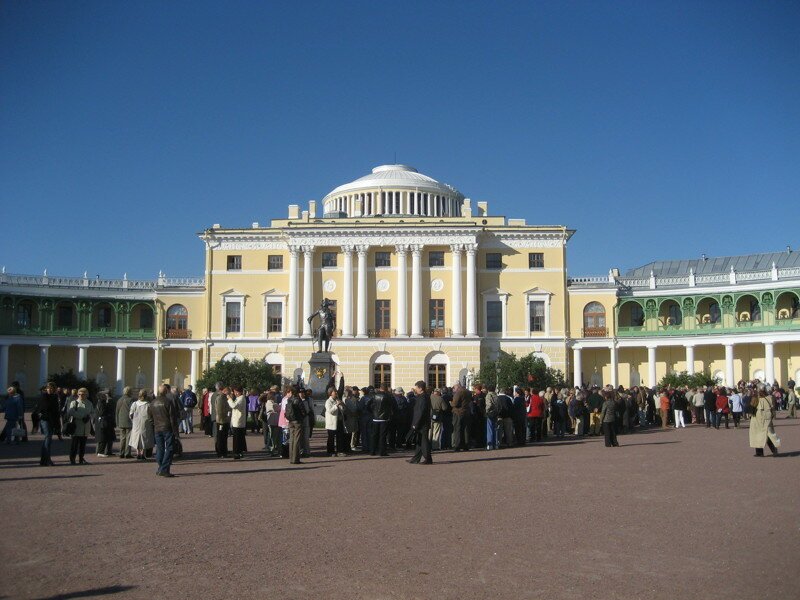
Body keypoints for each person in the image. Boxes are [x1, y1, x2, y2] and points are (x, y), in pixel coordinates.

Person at [149, 386, 176, 476]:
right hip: (167, 428)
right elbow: (172, 417)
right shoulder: (168, 402)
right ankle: (164, 469)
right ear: (166, 392)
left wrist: (155, 424)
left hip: (157, 428)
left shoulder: (152, 403)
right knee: (170, 448)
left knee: (160, 449)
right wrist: (175, 430)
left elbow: (150, 418)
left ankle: (161, 468)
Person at [66, 388, 94, 464]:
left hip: (86, 427)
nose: (81, 396)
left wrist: (89, 416)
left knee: (83, 445)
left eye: (83, 394)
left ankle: (81, 459)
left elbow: (92, 412)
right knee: (74, 445)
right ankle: (72, 459)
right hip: (76, 427)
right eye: (79, 394)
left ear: (86, 395)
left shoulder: (89, 403)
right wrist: (82, 416)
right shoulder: (74, 402)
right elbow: (71, 412)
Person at [34, 382, 60, 465]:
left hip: (52, 419)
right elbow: (44, 407)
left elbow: (56, 410)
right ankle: (47, 459)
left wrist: (57, 424)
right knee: (48, 437)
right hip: (45, 419)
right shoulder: (44, 396)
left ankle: (43, 460)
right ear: (46, 388)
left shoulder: (55, 397)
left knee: (47, 439)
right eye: (49, 388)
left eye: (52, 388)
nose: (50, 389)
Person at [749, 389, 780, 456]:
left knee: (757, 436)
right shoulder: (769, 398)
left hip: (757, 421)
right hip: (766, 420)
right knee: (768, 435)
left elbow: (751, 410)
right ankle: (774, 449)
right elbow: (772, 408)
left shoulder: (756, 399)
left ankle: (760, 452)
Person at [408, 380, 432, 464]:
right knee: (419, 441)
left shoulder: (423, 397)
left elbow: (420, 412)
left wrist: (415, 424)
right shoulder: (422, 396)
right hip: (421, 423)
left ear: (421, 388)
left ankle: (428, 459)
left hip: (422, 423)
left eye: (416, 388)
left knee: (424, 442)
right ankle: (416, 458)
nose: (415, 389)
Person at [129, 389, 155, 460]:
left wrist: (133, 420)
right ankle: (143, 453)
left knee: (137, 438)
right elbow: (151, 415)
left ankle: (138, 453)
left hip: (136, 423)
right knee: (144, 438)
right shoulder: (148, 405)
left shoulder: (134, 404)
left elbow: (130, 414)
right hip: (145, 423)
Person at [370, 384, 394, 456]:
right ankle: (382, 451)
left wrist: (373, 412)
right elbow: (391, 406)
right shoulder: (388, 396)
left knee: (374, 435)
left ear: (380, 388)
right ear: (386, 389)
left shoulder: (374, 396)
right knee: (382, 436)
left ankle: (372, 451)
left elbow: (369, 405)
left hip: (375, 418)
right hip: (384, 418)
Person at [285, 386, 307, 464]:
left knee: (292, 439)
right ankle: (296, 459)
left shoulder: (289, 399)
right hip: (297, 421)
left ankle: (291, 458)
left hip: (290, 421)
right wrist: (302, 416)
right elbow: (303, 411)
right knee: (297, 440)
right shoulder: (298, 400)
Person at [324, 388, 346, 456]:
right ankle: (330, 452)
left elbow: (343, 410)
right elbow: (330, 411)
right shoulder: (328, 401)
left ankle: (340, 451)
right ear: (330, 393)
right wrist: (336, 405)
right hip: (332, 423)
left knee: (340, 437)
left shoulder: (337, 400)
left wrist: (342, 405)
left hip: (339, 421)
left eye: (336, 392)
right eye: (334, 392)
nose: (336, 393)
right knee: (331, 438)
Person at [450, 383, 472, 451]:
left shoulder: (458, 393)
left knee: (457, 429)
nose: (453, 390)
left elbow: (455, 403)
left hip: (458, 412)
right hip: (466, 411)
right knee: (465, 429)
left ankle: (457, 445)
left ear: (457, 388)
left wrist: (451, 403)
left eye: (454, 388)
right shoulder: (468, 392)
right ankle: (466, 445)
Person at [94, 392, 116, 457]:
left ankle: (102, 451)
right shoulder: (102, 403)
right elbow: (102, 412)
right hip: (103, 422)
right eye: (104, 396)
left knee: (104, 437)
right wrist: (108, 414)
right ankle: (100, 452)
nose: (106, 396)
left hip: (102, 422)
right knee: (102, 437)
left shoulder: (100, 402)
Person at [228, 386, 247, 459]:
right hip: (236, 421)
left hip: (238, 422)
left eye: (236, 391)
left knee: (237, 439)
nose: (235, 393)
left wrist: (229, 399)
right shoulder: (238, 398)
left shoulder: (241, 398)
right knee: (239, 438)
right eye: (234, 391)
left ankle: (237, 452)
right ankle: (239, 452)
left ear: (240, 391)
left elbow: (233, 406)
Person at [116, 387, 134, 458]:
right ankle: (127, 453)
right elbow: (132, 410)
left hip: (121, 421)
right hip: (129, 421)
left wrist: (117, 421)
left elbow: (117, 412)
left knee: (122, 438)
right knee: (128, 437)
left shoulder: (119, 400)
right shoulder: (130, 400)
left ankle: (121, 452)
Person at [214, 386, 231, 458]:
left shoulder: (224, 397)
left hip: (224, 420)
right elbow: (220, 411)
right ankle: (221, 452)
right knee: (221, 437)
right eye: (229, 392)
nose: (229, 393)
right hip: (222, 421)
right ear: (225, 391)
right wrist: (223, 419)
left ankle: (224, 451)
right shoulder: (221, 398)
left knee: (224, 437)